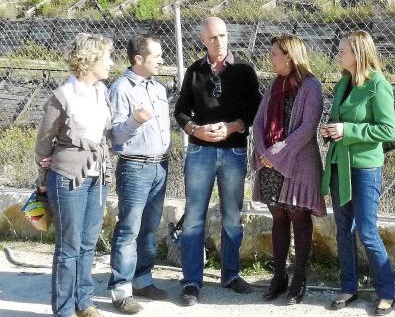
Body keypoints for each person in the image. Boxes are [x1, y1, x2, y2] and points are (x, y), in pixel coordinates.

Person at [174, 16, 261, 306]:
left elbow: (255, 110)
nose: (219, 41)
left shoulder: (244, 71)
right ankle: (191, 281)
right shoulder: (194, 71)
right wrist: (195, 130)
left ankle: (231, 274)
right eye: (212, 37)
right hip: (200, 152)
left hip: (233, 152)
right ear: (203, 40)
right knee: (194, 216)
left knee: (232, 216)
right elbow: (181, 111)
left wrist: (234, 126)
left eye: (222, 35)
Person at [35, 33, 114, 317]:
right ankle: (64, 309)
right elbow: (43, 142)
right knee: (68, 246)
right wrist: (44, 171)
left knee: (88, 243)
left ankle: (84, 302)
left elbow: (107, 132)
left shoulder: (102, 91)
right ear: (90, 60)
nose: (111, 63)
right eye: (106, 58)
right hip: (68, 176)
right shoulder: (62, 96)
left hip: (98, 176)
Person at [321, 30, 395, 316]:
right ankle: (348, 287)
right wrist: (331, 130)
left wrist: (348, 130)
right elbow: (339, 120)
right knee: (343, 229)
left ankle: (386, 292)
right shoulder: (343, 83)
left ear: (358, 53)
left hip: (366, 168)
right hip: (339, 164)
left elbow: (388, 130)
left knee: (366, 229)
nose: (339, 55)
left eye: (343, 51)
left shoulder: (378, 85)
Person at [252, 35, 326, 305]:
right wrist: (263, 152)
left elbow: (307, 128)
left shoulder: (311, 86)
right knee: (279, 217)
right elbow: (258, 122)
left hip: (298, 165)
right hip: (271, 165)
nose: (270, 58)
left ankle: (299, 279)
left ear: (289, 56)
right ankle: (279, 276)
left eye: (274, 53)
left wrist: (276, 153)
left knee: (299, 218)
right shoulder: (274, 84)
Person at [107, 35, 171, 314]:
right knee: (129, 229)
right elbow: (114, 137)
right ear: (138, 59)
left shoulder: (158, 88)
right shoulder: (121, 89)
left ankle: (142, 280)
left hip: (160, 166)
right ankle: (121, 291)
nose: (161, 60)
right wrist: (134, 120)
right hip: (135, 167)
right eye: (156, 56)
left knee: (149, 228)